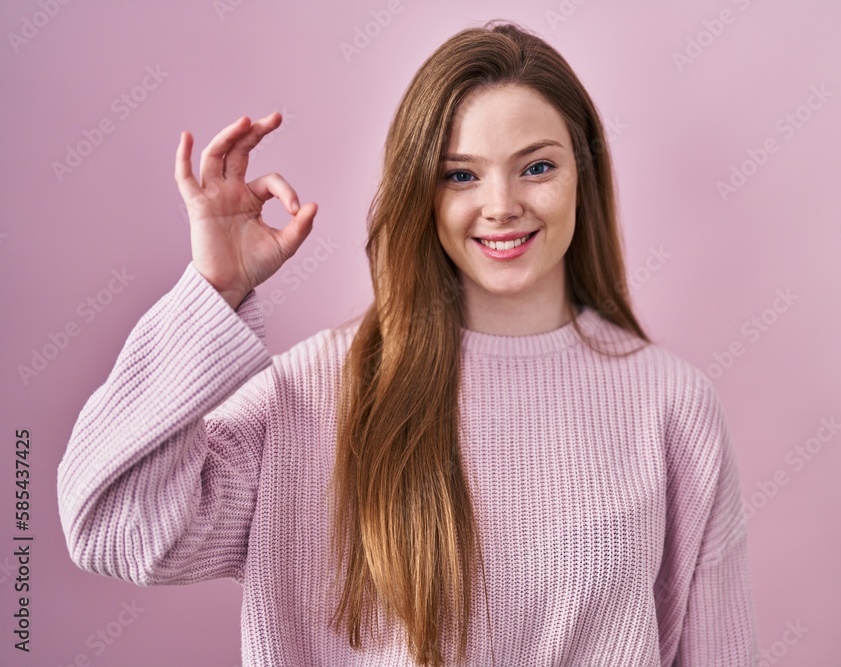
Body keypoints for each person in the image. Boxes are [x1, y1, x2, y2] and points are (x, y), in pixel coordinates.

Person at [56, 20, 759, 667]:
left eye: (537, 166)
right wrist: (215, 289)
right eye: (461, 174)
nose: (501, 203)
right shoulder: (318, 393)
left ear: (585, 175)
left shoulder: (671, 404)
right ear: (420, 191)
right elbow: (111, 521)